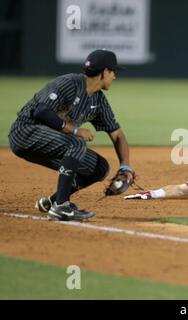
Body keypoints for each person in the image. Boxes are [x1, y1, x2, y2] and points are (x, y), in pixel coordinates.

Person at [8, 49, 134, 221]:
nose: (114, 77)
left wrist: (125, 167)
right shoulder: (70, 83)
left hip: (50, 142)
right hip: (25, 132)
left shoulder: (98, 100)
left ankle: (53, 202)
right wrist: (75, 130)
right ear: (105, 72)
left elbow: (117, 134)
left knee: (99, 168)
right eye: (113, 72)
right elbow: (41, 111)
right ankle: (62, 206)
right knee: (76, 143)